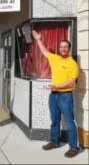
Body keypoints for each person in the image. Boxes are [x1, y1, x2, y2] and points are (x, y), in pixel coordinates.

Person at [32, 30, 79, 158]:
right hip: (53, 96)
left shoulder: (73, 64)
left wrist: (57, 86)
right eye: (61, 47)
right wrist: (38, 39)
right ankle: (54, 141)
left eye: (65, 47)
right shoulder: (55, 58)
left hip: (65, 96)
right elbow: (44, 52)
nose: (63, 49)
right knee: (54, 120)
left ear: (69, 49)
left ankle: (74, 147)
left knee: (69, 122)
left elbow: (71, 82)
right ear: (59, 48)